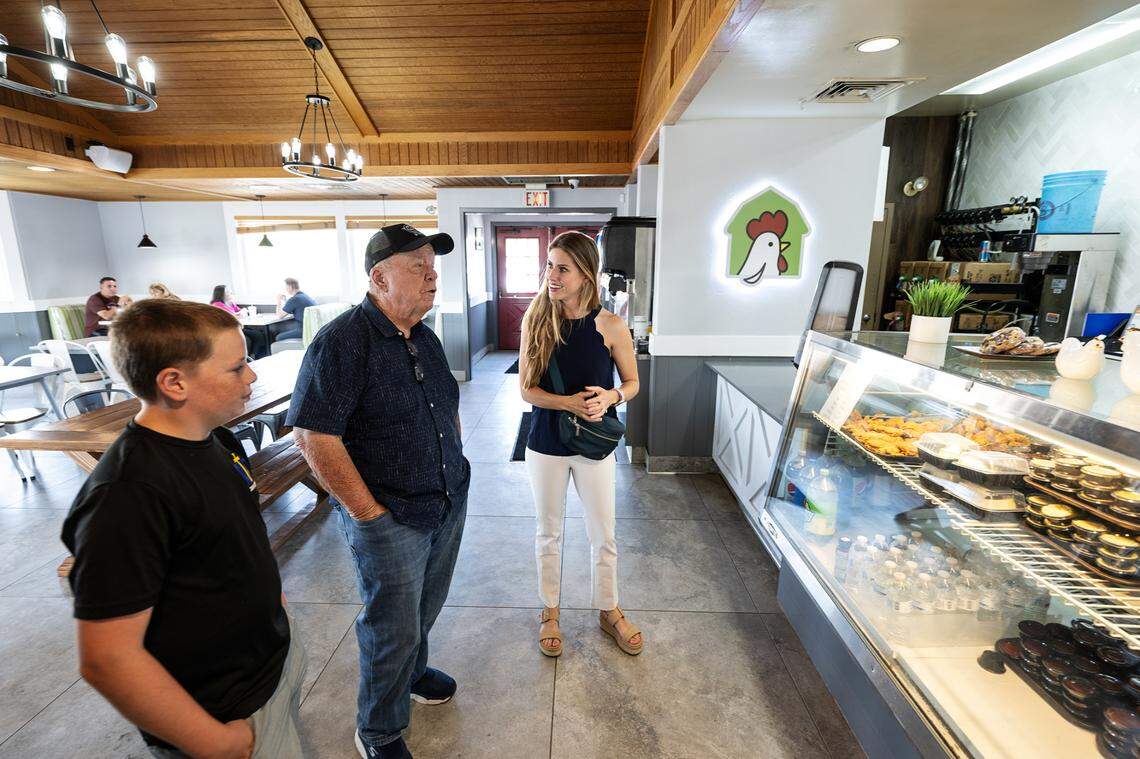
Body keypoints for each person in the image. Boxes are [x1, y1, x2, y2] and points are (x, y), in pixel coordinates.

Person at [60, 299, 306, 758]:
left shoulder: (217, 438)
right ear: (174, 382)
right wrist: (215, 743)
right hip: (221, 711)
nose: (250, 376)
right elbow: (108, 659)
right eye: (237, 368)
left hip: (266, 665)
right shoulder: (127, 494)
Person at [289, 223, 467, 759]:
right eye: (418, 266)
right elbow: (313, 434)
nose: (432, 274)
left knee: (424, 608)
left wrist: (456, 469)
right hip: (388, 514)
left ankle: (413, 675)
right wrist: (367, 513)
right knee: (390, 625)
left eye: (433, 265)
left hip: (444, 499)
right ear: (379, 277)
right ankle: (380, 729)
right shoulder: (342, 341)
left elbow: (445, 406)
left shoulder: (426, 336)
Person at [518, 231, 642, 658]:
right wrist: (567, 402)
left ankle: (608, 609)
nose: (551, 275)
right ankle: (549, 611)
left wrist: (611, 397)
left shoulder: (610, 325)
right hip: (546, 444)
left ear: (587, 274)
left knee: (603, 534)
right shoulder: (536, 319)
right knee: (548, 533)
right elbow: (527, 391)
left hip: (594, 448)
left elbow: (632, 383)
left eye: (562, 268)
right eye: (549, 265)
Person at [274, 277, 315, 342]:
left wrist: (278, 301)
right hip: (311, 328)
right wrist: (285, 301)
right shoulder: (304, 296)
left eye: (286, 287)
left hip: (303, 330)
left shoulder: (294, 299)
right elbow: (294, 308)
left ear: (290, 287)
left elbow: (280, 315)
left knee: (278, 337)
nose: (286, 289)